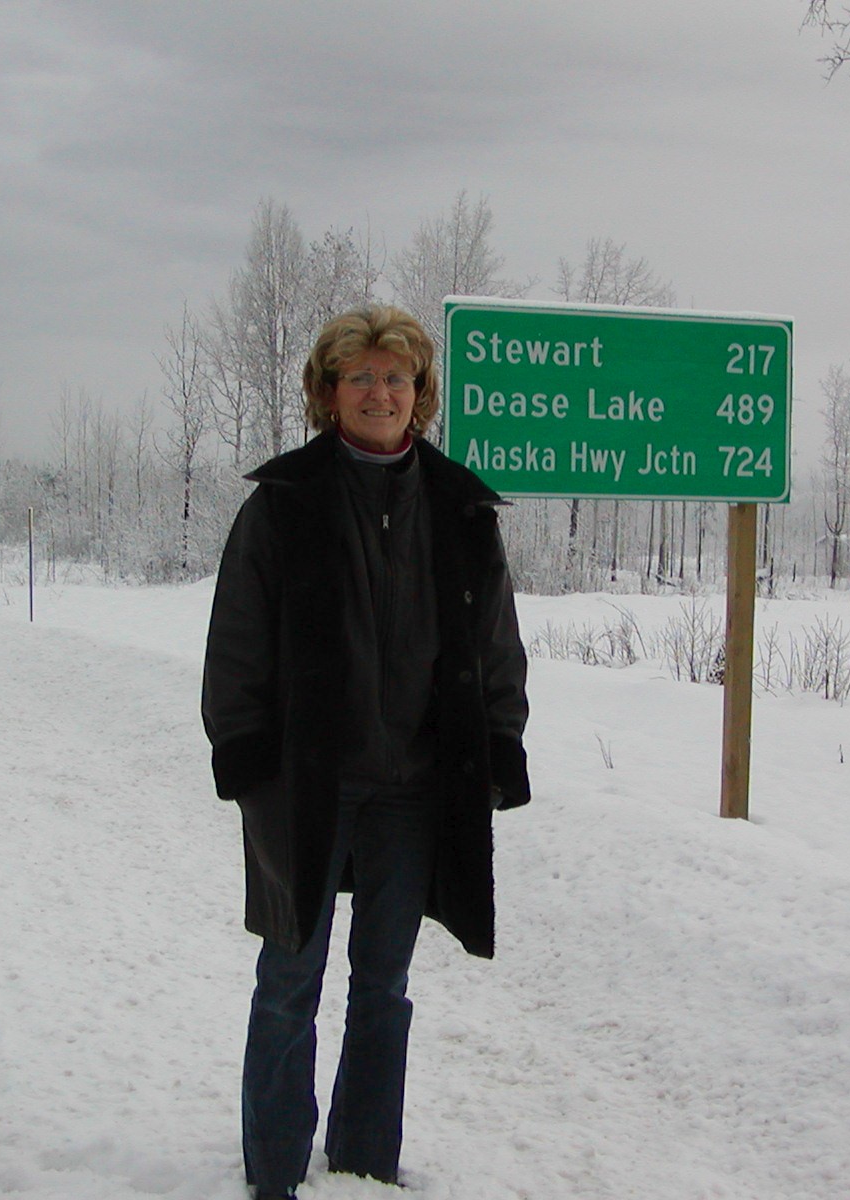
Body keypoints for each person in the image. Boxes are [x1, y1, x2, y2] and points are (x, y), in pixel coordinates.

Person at [202, 305, 532, 1199]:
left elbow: (494, 640)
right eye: (361, 378)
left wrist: (502, 740)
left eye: (397, 378)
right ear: (328, 392)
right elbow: (236, 643)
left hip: (415, 791)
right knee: (289, 979)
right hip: (305, 787)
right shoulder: (283, 506)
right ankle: (274, 1174)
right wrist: (244, 752)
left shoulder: (461, 508)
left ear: (420, 394)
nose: (380, 393)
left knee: (384, 984)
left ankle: (363, 1167)